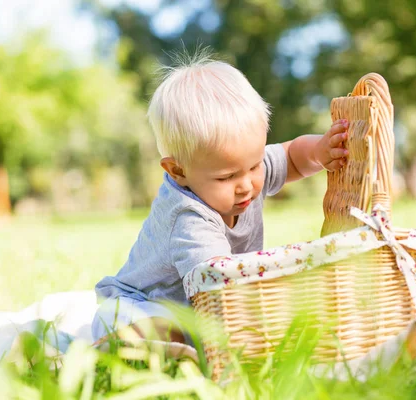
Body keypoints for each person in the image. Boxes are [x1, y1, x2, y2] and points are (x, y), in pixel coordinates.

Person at [91, 51, 349, 345]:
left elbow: (290, 155)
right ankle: (111, 350)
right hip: (136, 304)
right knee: (158, 330)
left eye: (253, 165)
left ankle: (183, 349)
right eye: (226, 177)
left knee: (194, 333)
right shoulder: (188, 218)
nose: (246, 185)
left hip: (198, 309)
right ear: (178, 171)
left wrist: (319, 152)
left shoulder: (246, 171)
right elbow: (220, 285)